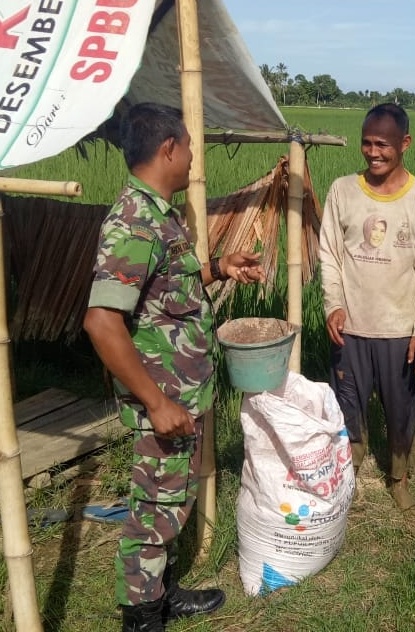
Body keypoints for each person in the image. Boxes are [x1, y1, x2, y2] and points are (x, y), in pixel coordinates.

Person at [83, 102, 263, 632]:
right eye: (188, 148)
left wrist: (218, 269)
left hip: (182, 395)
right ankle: (141, 618)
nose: (191, 160)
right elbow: (101, 321)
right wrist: (157, 403)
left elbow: (166, 293)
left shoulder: (161, 214)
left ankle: (161, 592)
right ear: (168, 150)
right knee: (153, 513)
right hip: (162, 399)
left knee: (171, 504)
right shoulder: (135, 221)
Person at [319, 103, 415, 515]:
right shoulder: (342, 191)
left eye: (383, 144)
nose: (373, 152)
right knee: (348, 402)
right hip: (351, 327)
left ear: (404, 144)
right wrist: (333, 304)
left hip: (398, 329)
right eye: (366, 143)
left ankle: (398, 477)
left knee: (401, 408)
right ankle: (350, 466)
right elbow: (330, 255)